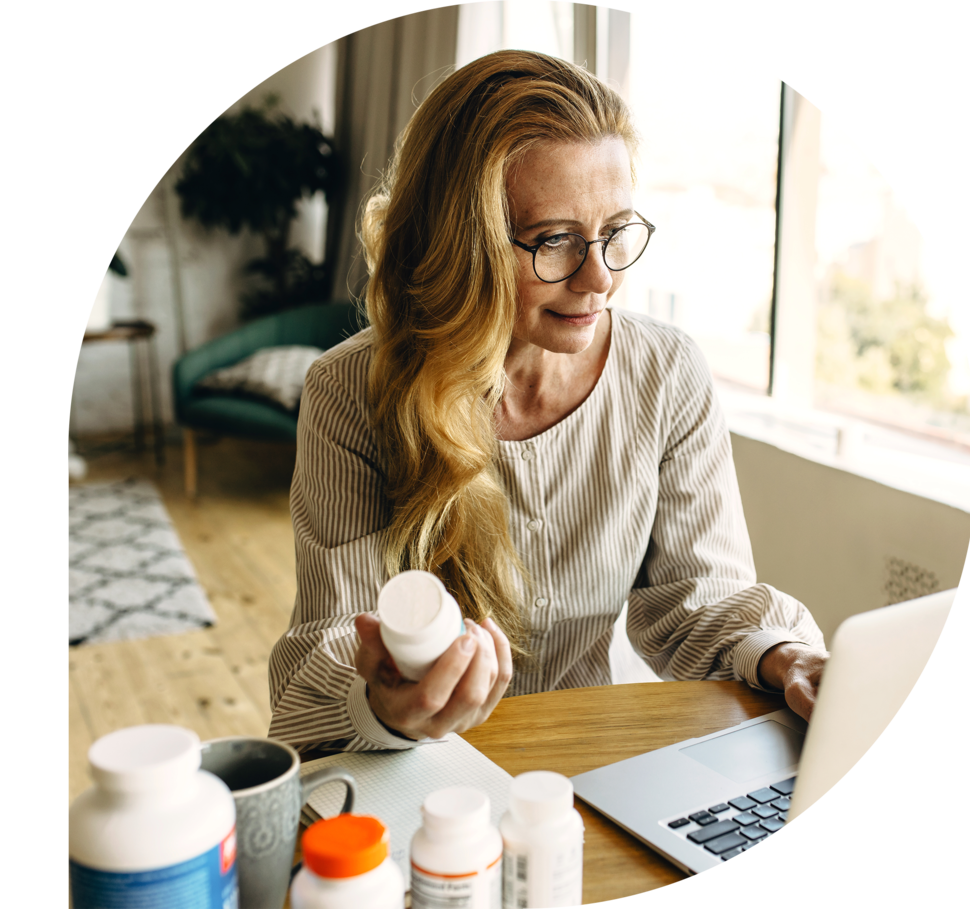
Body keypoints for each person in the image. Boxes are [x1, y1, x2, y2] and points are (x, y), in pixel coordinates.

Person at [267, 49, 828, 754]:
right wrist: (386, 702)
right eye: (554, 240)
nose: (599, 278)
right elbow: (328, 647)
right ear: (460, 245)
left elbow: (700, 600)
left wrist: (783, 652)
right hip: (429, 763)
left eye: (616, 230)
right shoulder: (350, 393)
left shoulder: (668, 370)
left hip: (602, 749)